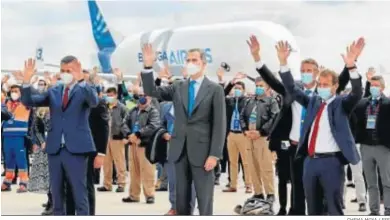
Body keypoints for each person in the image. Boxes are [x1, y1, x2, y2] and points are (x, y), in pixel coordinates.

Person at [246, 35, 352, 215]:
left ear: (317, 72)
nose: (306, 72)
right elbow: (272, 80)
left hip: (320, 152)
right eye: (303, 70)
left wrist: (350, 64)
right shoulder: (292, 89)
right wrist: (257, 57)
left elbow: (340, 81)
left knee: (324, 195)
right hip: (296, 149)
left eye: (310, 70)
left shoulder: (326, 92)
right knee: (298, 192)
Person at [276, 40, 363, 215]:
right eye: (320, 84)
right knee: (313, 208)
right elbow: (292, 88)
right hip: (310, 162)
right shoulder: (313, 102)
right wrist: (283, 63)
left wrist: (352, 66)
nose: (322, 88)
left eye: (326, 85)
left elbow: (357, 92)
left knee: (333, 207)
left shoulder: (342, 104)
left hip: (331, 163)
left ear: (335, 86)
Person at [140, 45, 226, 215]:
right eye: (188, 60)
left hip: (203, 153)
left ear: (203, 64)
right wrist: (148, 67)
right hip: (179, 151)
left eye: (195, 60)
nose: (190, 63)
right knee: (182, 201)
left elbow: (219, 124)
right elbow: (152, 91)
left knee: (204, 200)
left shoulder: (215, 90)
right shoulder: (179, 86)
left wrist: (215, 154)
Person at [20, 57, 99, 215]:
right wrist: (27, 81)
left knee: (79, 194)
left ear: (77, 69)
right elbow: (30, 100)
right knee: (56, 195)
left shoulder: (84, 89)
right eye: (62, 71)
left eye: (68, 71)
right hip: (55, 149)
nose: (65, 74)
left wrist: (81, 79)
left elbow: (94, 101)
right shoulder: (54, 91)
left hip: (76, 149)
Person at [65, 73, 110, 216]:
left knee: (86, 185)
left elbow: (103, 128)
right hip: (69, 150)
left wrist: (101, 153)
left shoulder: (97, 102)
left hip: (89, 150)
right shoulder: (68, 100)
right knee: (69, 186)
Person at [353, 75, 390, 216]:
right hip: (366, 147)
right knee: (371, 181)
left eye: (377, 85)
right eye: (372, 85)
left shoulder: (387, 103)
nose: (374, 88)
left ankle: (388, 210)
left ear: (382, 87)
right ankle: (374, 211)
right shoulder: (363, 104)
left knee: (387, 181)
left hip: (383, 147)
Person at [240, 77, 279, 204]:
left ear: (268, 88)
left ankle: (270, 193)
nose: (258, 87)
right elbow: (242, 116)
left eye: (261, 85)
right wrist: (245, 130)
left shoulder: (271, 102)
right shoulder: (249, 101)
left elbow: (274, 118)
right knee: (252, 165)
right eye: (257, 85)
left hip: (263, 137)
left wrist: (261, 131)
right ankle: (258, 193)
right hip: (248, 136)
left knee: (265, 166)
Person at [122, 89, 160, 204]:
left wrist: (138, 134)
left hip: (145, 145)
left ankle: (149, 195)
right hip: (132, 144)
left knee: (147, 171)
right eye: (140, 95)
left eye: (145, 95)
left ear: (149, 98)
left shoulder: (153, 111)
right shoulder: (133, 110)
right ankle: (134, 195)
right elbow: (124, 124)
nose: (143, 98)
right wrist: (129, 135)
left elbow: (153, 126)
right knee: (134, 171)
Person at [97, 87, 128, 193]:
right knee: (106, 162)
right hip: (106, 138)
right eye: (108, 95)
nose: (109, 97)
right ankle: (107, 184)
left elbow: (126, 122)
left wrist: (125, 136)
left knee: (119, 161)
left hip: (117, 137)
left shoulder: (122, 108)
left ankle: (121, 183)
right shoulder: (104, 106)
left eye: (111, 95)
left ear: (115, 95)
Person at [1, 84, 31, 193]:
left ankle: (24, 182)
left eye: (16, 91)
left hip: (20, 136)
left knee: (21, 160)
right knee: (9, 159)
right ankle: (7, 181)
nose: (14, 93)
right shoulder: (6, 103)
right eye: (12, 91)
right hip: (7, 136)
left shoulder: (26, 103)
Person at [28, 107, 51, 215]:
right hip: (43, 148)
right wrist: (41, 142)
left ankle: (54, 202)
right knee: (45, 176)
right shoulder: (40, 111)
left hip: (56, 148)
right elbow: (36, 128)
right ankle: (50, 200)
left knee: (53, 177)